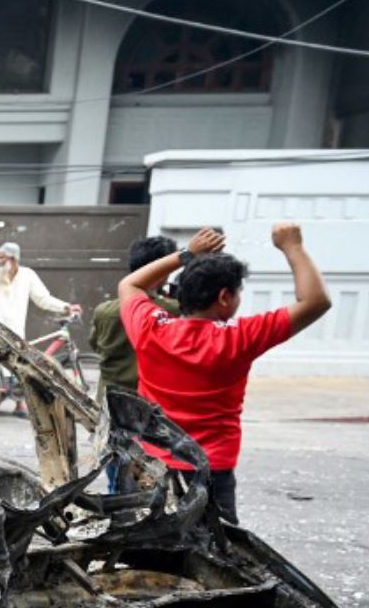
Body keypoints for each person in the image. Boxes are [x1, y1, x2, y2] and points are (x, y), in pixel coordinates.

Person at [118, 223, 331, 524]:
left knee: (147, 553)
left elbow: (131, 285)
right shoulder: (240, 338)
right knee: (213, 557)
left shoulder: (151, 329)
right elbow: (316, 301)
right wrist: (292, 246)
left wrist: (187, 254)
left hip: (150, 464)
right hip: (211, 469)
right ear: (224, 298)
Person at [90, 235, 178, 403]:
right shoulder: (172, 310)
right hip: (146, 404)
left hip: (109, 401)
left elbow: (96, 345)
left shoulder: (103, 311)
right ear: (163, 271)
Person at [0, 242, 80, 339]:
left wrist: (66, 307)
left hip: (16, 335)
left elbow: (43, 299)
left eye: (2, 258)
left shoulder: (27, 275)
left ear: (13, 259)